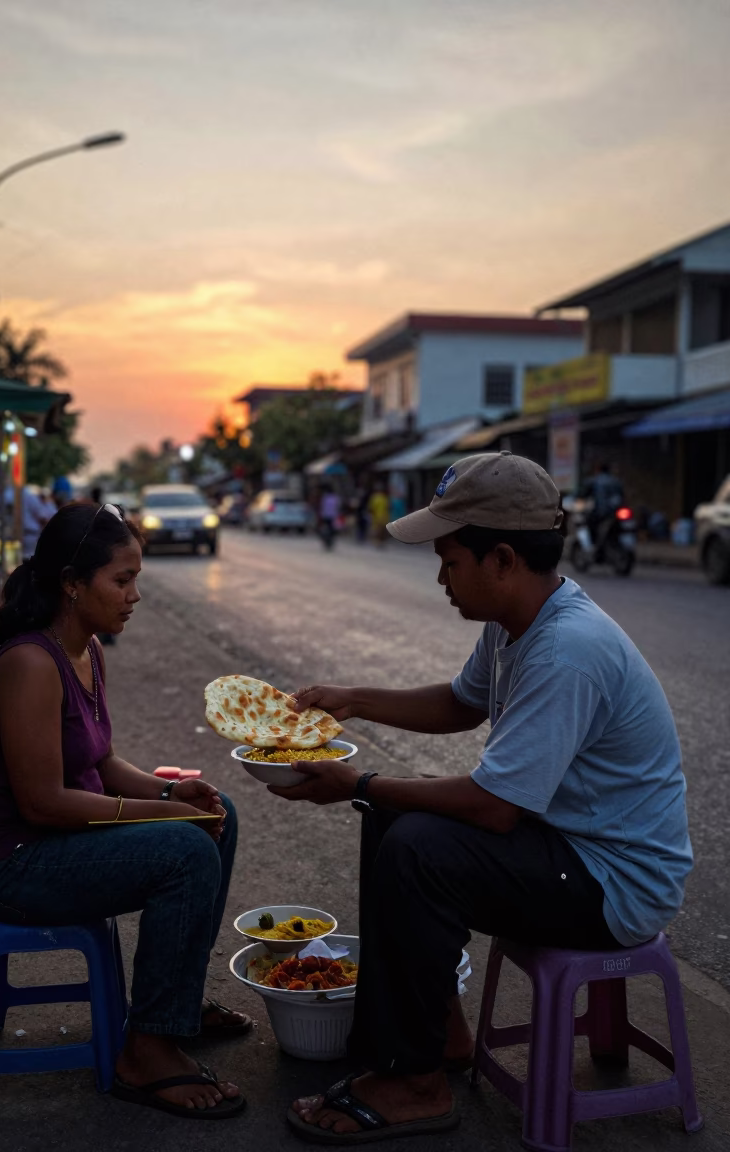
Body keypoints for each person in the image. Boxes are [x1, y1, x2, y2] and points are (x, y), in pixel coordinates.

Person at [270, 452, 692, 1144]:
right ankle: (436, 1039)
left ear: (501, 558)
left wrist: (359, 783)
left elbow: (496, 808)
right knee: (395, 817)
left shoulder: (566, 649)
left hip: (617, 882)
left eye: (449, 559)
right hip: (571, 848)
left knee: (415, 850)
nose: (440, 576)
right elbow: (462, 704)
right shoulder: (516, 621)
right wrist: (354, 700)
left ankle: (417, 1083)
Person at [0, 502, 246, 1119]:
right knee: (188, 851)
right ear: (71, 584)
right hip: (14, 865)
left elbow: (103, 761)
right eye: (122, 580)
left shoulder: (86, 650)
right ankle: (145, 1053)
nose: (135, 595)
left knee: (217, 819)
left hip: (56, 843)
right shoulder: (32, 664)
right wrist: (162, 818)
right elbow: (43, 803)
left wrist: (171, 795)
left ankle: (173, 1008)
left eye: (135, 578)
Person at [318, 486, 341, 550]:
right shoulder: (336, 497)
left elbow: (322, 506)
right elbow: (338, 506)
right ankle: (330, 541)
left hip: (325, 516)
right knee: (332, 530)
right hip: (333, 516)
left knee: (326, 528)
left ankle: (326, 541)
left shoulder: (325, 497)